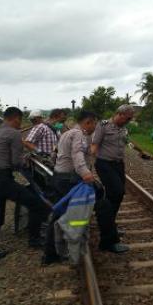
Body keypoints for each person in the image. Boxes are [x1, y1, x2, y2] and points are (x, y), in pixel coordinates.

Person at [43, 111, 121, 264]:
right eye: (94, 124)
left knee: (58, 213)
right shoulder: (79, 134)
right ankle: (109, 242)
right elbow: (77, 155)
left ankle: (50, 254)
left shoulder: (66, 133)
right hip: (71, 180)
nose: (95, 127)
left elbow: (55, 154)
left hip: (60, 178)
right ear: (88, 122)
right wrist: (86, 174)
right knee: (103, 204)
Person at [0, 107, 51, 267]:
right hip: (1, 179)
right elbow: (16, 163)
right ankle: (34, 240)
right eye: (21, 120)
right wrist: (25, 160)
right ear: (16, 119)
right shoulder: (14, 134)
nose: (21, 124)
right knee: (37, 204)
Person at [91, 104, 148, 249]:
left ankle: (109, 224)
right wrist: (89, 165)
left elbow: (127, 142)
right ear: (120, 114)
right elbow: (94, 145)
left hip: (118, 165)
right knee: (117, 192)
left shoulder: (123, 129)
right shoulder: (103, 126)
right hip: (104, 164)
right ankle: (108, 236)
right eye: (128, 118)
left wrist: (140, 151)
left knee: (117, 196)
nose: (129, 121)